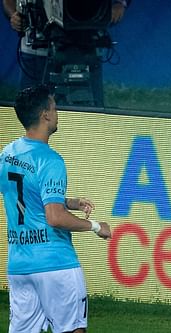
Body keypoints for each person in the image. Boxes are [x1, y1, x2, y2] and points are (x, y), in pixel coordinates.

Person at [0, 85, 112, 333]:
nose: (57, 112)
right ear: (45, 115)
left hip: (19, 265)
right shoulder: (50, 159)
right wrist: (95, 226)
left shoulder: (7, 154)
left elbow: (23, 194)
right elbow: (54, 217)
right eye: (54, 107)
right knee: (73, 329)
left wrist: (67, 201)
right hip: (54, 264)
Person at [2, 0, 130, 107]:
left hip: (86, 48)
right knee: (30, 114)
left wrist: (120, 3)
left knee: (90, 119)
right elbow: (8, 1)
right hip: (37, 52)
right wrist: (14, 16)